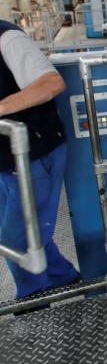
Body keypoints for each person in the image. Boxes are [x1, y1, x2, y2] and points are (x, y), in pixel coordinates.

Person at [0, 19, 79, 298]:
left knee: (17, 241)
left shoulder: (7, 38)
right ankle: (65, 279)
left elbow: (51, 83)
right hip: (6, 161)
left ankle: (33, 305)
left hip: (33, 155)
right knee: (28, 231)